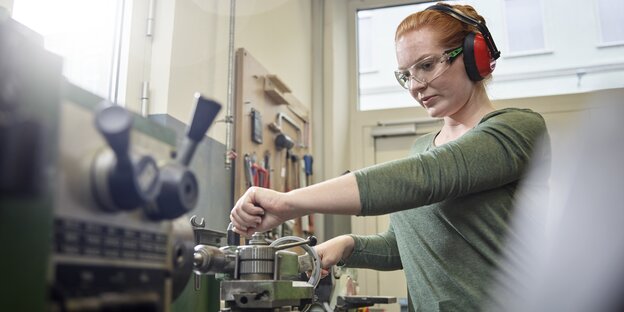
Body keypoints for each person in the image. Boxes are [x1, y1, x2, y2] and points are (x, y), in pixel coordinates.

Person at [230, 3, 550, 311]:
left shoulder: (517, 129)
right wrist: (347, 245)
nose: (416, 86)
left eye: (426, 65)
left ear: (473, 56)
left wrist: (289, 202)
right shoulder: (421, 148)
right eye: (406, 74)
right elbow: (404, 248)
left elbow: (426, 177)